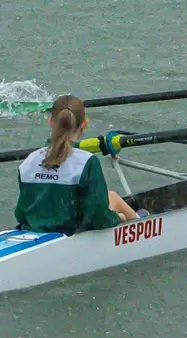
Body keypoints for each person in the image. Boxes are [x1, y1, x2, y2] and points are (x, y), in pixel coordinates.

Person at [15, 95, 138, 234]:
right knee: (113, 197)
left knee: (112, 196)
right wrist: (117, 218)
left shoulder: (29, 161)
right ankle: (141, 222)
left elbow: (21, 214)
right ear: (84, 123)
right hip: (73, 232)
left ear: (50, 121)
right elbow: (99, 219)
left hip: (34, 230)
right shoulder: (87, 162)